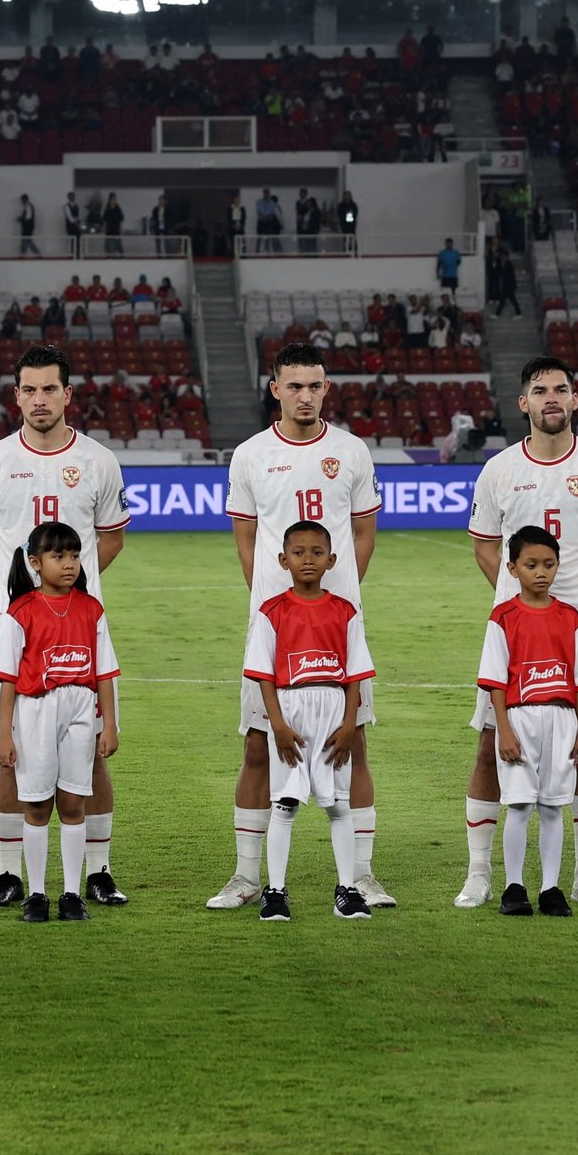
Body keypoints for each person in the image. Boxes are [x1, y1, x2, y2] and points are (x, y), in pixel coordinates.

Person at [211, 345, 386, 911]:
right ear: (276, 389)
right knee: (259, 746)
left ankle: (360, 876)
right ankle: (246, 876)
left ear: (326, 388)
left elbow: (363, 532)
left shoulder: (351, 450)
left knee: (353, 743)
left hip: (336, 622)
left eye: (315, 385)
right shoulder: (250, 455)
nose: (305, 395)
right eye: (295, 386)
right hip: (275, 619)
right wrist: (272, 596)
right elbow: (245, 537)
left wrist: (334, 599)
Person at [0, 344, 131, 907]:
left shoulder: (100, 460)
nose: (39, 399)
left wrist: (67, 591)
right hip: (20, 638)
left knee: (92, 756)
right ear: (16, 397)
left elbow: (110, 538)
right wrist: (33, 593)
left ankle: (99, 871)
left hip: (82, 636)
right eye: (29, 390)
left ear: (68, 394)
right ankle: (10, 872)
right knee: (10, 752)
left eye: (49, 389)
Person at [460, 356, 578, 908]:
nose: (551, 398)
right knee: (491, 747)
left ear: (575, 399)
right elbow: (486, 546)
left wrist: (571, 603)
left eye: (561, 389)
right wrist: (524, 602)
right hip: (516, 631)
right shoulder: (500, 470)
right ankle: (480, 873)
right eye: (540, 390)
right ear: (524, 403)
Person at [239, 520, 376, 922]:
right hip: (289, 716)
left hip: (334, 716)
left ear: (332, 559)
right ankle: (275, 891)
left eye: (317, 553)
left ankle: (347, 890)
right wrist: (276, 725)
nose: (308, 559)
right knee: (283, 804)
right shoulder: (272, 611)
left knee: (338, 806)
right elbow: (263, 674)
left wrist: (350, 724)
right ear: (283, 560)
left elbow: (355, 674)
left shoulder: (345, 611)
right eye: (298, 553)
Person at [0, 521, 121, 923]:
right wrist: (5, 733)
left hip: (81, 709)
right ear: (34, 562)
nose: (69, 564)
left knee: (73, 801)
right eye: (58, 556)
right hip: (35, 709)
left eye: (75, 555)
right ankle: (37, 894)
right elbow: (7, 679)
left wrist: (110, 724)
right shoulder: (21, 611)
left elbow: (104, 672)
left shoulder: (91, 608)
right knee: (36, 804)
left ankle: (70, 894)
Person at [473, 526, 578, 917]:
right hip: (520, 719)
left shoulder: (570, 617)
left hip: (562, 722)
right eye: (531, 565)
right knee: (519, 805)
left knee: (552, 807)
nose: (541, 572)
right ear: (512, 569)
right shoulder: (503, 617)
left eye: (549, 564)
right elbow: (495, 681)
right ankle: (515, 887)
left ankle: (551, 889)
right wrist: (504, 730)